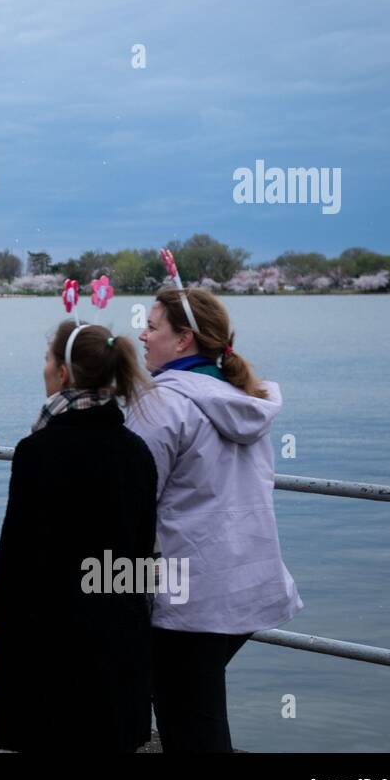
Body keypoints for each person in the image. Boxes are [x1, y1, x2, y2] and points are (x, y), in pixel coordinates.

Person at [126, 283, 302, 752]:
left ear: (183, 339)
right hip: (246, 581)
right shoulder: (240, 398)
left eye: (151, 325)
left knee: (191, 726)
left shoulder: (161, 405)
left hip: (189, 593)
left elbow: (131, 502)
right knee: (192, 708)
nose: (142, 335)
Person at [0, 320, 158, 752]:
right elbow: (140, 559)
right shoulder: (136, 452)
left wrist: (3, 623)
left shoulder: (38, 452)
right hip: (117, 640)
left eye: (47, 359)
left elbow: (17, 555)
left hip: (47, 641)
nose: (43, 368)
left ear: (63, 373)